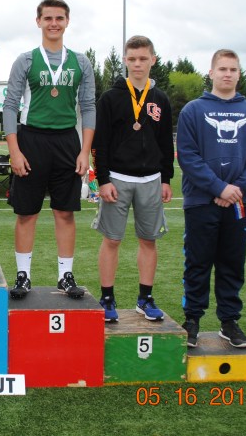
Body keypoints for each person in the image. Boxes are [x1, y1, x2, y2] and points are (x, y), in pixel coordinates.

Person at [2, 0, 96, 299]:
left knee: (65, 212)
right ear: (38, 21)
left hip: (67, 141)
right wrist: (15, 151)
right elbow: (10, 106)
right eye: (48, 18)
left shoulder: (81, 62)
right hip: (31, 140)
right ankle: (23, 275)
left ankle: (65, 275)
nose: (53, 23)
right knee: (26, 213)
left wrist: (85, 151)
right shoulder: (26, 60)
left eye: (59, 18)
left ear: (67, 22)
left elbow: (89, 107)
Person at [176, 49, 246, 349]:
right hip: (201, 202)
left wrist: (236, 189)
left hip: (239, 203)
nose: (227, 74)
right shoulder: (193, 110)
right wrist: (218, 188)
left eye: (233, 69)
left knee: (232, 263)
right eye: (222, 69)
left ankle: (229, 322)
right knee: (198, 262)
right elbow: (187, 156)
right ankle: (192, 320)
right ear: (212, 72)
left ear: (239, 74)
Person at [91, 35, 174, 322]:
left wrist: (166, 178)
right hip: (117, 178)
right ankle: (107, 297)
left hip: (151, 179)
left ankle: (145, 298)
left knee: (148, 240)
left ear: (153, 60)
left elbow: (166, 143)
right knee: (112, 240)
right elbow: (99, 143)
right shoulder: (111, 97)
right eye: (132, 59)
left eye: (143, 59)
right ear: (125, 60)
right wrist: (103, 180)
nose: (137, 64)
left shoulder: (160, 98)